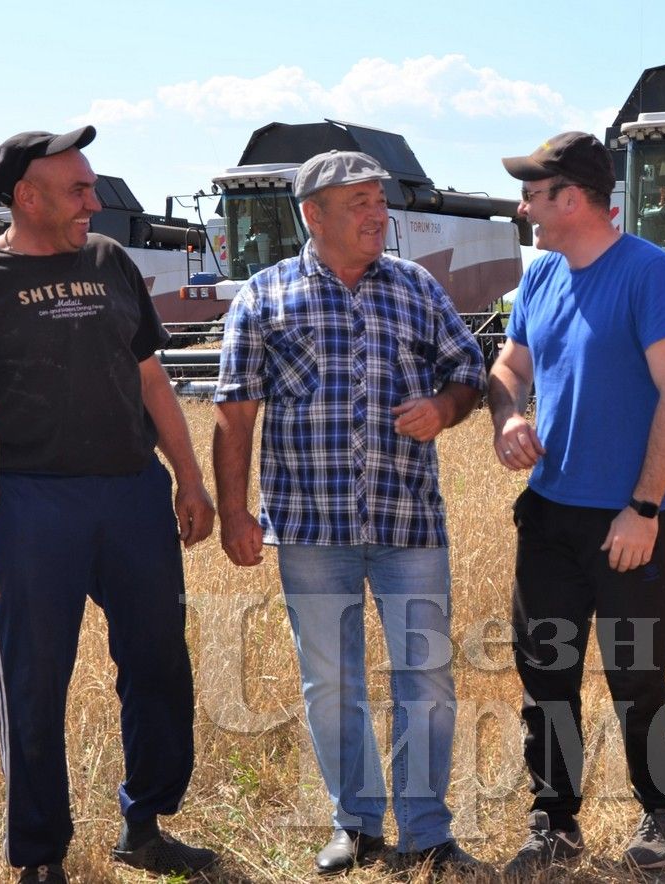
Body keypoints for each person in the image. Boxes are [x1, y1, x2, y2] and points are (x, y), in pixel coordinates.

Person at [0, 126, 218, 883]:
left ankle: (146, 824)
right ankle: (40, 857)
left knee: (159, 660)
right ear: (24, 197)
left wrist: (189, 480)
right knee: (33, 679)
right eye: (77, 190)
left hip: (132, 494)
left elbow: (151, 378)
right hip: (28, 506)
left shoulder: (109, 261)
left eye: (91, 187)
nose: (93, 202)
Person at [213, 150, 486, 876]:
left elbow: (468, 373)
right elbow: (235, 416)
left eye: (379, 200)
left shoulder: (416, 288)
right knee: (331, 682)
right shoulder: (265, 296)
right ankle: (356, 825)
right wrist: (236, 515)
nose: (377, 214)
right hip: (309, 529)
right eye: (359, 201)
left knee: (424, 677)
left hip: (408, 526)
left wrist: (443, 408)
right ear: (314, 214)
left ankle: (426, 831)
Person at [490, 132, 665, 876]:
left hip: (626, 519)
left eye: (533, 194)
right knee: (545, 673)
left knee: (635, 674)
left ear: (570, 199)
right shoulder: (541, 277)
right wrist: (506, 414)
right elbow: (509, 366)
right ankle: (555, 824)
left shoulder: (649, 274)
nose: (523, 208)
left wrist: (642, 509)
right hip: (548, 514)